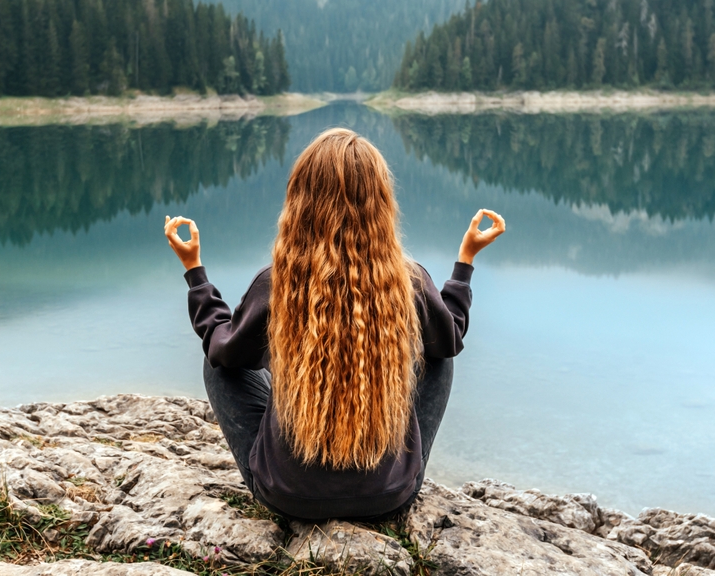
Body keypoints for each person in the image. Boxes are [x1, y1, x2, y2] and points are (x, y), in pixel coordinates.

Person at [164, 128, 504, 521]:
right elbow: (450, 340)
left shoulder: (278, 284)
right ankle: (397, 470)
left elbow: (224, 350)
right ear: (381, 204)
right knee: (439, 355)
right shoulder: (407, 281)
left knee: (217, 362)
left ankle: (293, 464)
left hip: (287, 496)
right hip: (389, 497)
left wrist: (195, 273)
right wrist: (464, 265)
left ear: (300, 202)